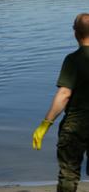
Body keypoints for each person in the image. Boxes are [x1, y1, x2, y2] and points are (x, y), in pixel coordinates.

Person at [32, 13, 89, 192]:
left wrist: (45, 124)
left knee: (69, 174)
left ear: (75, 33)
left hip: (76, 125)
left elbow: (64, 93)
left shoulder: (74, 60)